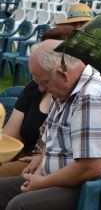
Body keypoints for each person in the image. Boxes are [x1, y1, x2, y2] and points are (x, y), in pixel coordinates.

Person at [0, 40, 101, 210]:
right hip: (76, 182)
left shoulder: (91, 97)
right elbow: (50, 143)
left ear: (63, 74)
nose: (40, 89)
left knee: (20, 206)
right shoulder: (65, 92)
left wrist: (43, 182)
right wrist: (38, 175)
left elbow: (93, 166)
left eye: (43, 82)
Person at [0, 26, 76, 178]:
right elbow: (11, 135)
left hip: (43, 164)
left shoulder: (74, 95)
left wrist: (42, 158)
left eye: (47, 55)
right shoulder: (35, 87)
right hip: (20, 154)